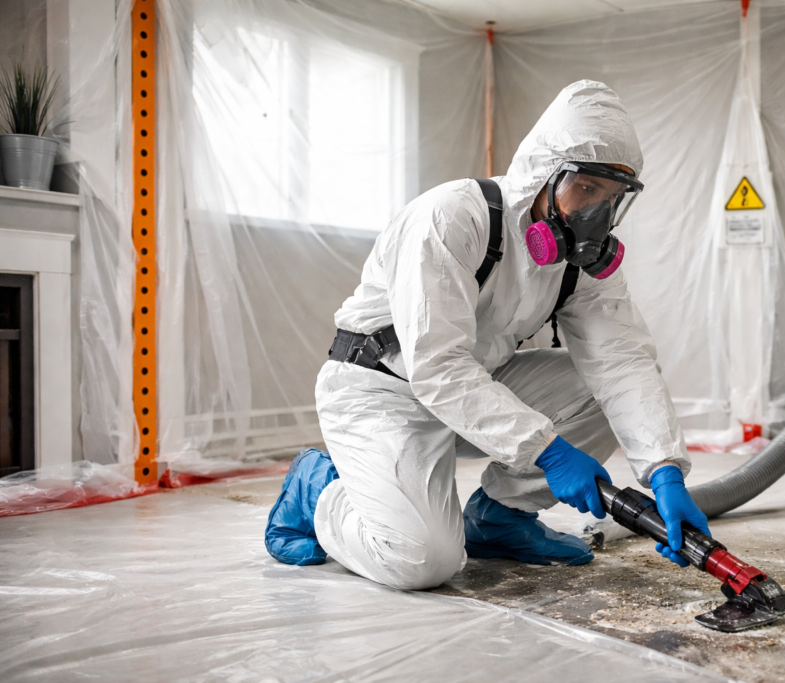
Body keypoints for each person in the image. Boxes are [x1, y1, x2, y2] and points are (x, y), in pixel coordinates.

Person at [264, 80, 710, 590]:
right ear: (544, 173)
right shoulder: (452, 217)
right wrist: (548, 451)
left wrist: (665, 471)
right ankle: (317, 487)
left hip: (479, 380)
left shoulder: (578, 261)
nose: (595, 215)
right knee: (421, 561)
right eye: (586, 190)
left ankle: (500, 518)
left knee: (602, 391)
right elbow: (437, 366)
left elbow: (623, 361)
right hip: (382, 389)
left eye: (610, 199)